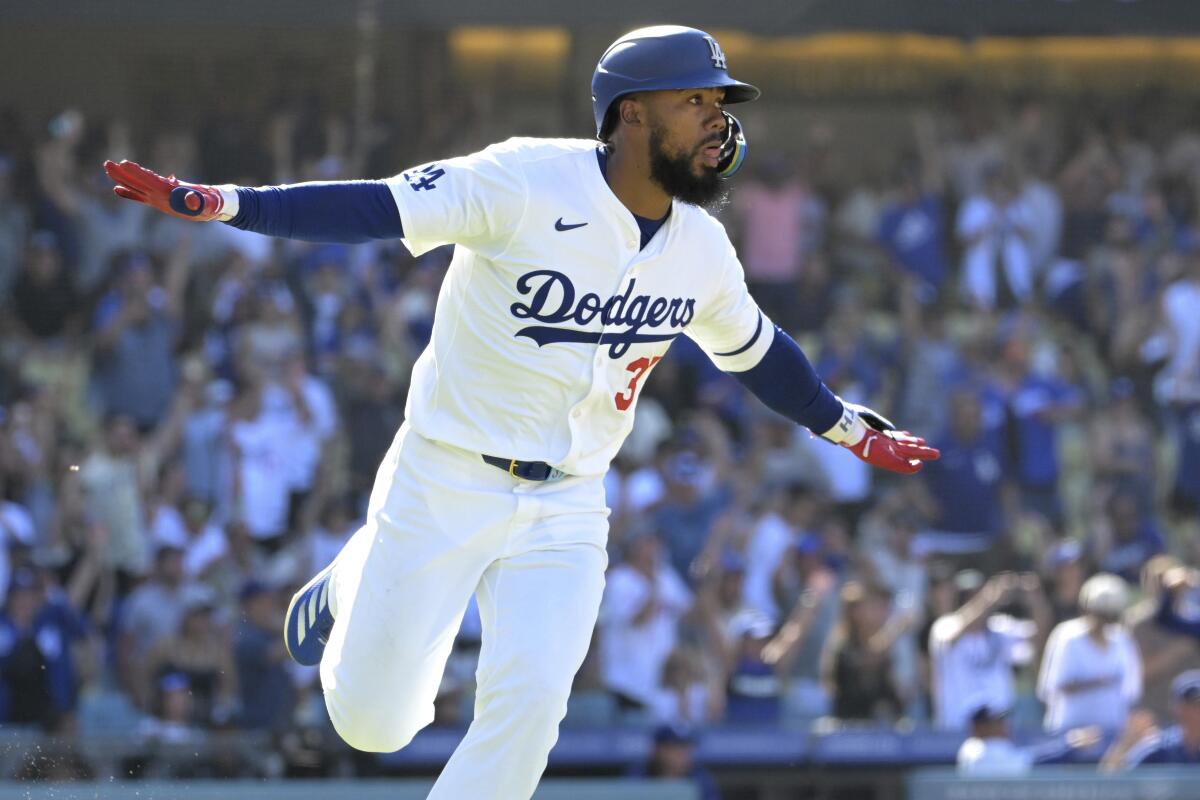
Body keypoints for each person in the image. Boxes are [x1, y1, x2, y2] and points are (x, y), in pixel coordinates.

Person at [102, 25, 938, 799]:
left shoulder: (701, 247)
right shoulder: (525, 179)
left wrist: (847, 428)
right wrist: (224, 203)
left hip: (568, 502)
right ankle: (358, 573)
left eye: (721, 103)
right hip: (446, 476)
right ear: (632, 114)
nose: (718, 120)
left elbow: (758, 352)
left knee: (533, 710)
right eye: (698, 101)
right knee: (375, 725)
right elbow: (377, 207)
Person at [929, 571, 1049, 730]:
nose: (977, 603)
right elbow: (952, 636)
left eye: (977, 595)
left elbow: (1039, 637)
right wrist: (989, 597)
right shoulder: (945, 625)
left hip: (998, 730)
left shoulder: (1000, 627)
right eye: (969, 597)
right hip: (956, 729)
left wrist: (1035, 599)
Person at [1037, 573, 1142, 734]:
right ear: (1086, 608)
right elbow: (1053, 686)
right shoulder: (1067, 636)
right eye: (1100, 612)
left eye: (1110, 614)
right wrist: (1097, 683)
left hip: (1112, 731)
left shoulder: (1122, 640)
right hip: (1070, 733)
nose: (1104, 620)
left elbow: (1131, 690)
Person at [957, 702, 1100, 776]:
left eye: (1002, 721)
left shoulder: (984, 746)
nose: (1004, 726)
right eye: (996, 722)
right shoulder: (977, 750)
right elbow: (1031, 762)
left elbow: (1026, 757)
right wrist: (1069, 745)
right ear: (978, 727)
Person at [1103, 670, 1200, 768]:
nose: (1196, 711)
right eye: (1191, 704)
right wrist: (1125, 744)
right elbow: (1112, 779)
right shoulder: (1160, 748)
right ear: (1176, 707)